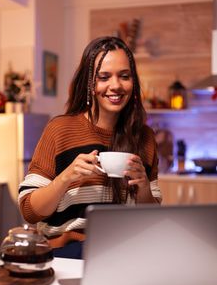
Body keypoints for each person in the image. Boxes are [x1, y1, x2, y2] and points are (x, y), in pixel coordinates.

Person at [18, 36, 162, 259]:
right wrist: (65, 177)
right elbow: (29, 210)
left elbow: (152, 218)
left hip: (127, 252)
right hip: (68, 254)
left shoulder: (144, 137)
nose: (115, 85)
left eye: (124, 76)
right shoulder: (60, 129)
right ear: (90, 83)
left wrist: (143, 186)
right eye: (104, 77)